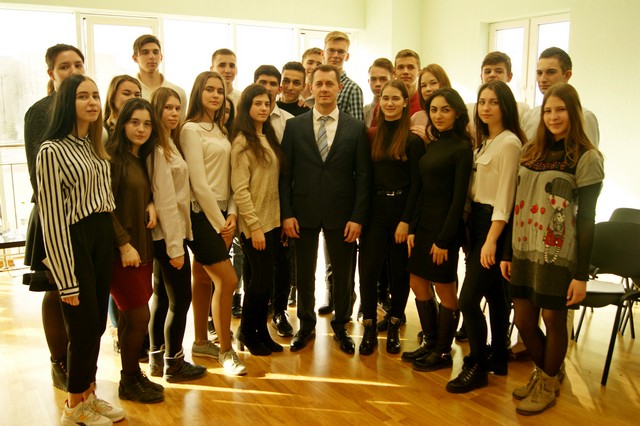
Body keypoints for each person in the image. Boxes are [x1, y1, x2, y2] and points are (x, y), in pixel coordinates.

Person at [501, 83, 604, 415]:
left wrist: (581, 275)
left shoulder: (586, 157)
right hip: (523, 248)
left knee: (552, 318)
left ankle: (546, 383)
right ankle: (547, 372)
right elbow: (515, 203)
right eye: (548, 110)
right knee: (523, 319)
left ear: (574, 113)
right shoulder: (532, 150)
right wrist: (507, 253)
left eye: (560, 110)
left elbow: (586, 220)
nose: (553, 117)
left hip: (558, 254)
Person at [38, 73, 125, 424]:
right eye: (82, 96)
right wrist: (65, 279)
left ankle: (89, 394)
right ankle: (74, 405)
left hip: (101, 234)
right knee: (82, 326)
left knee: (97, 324)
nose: (92, 102)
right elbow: (52, 219)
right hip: (75, 238)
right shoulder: (52, 150)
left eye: (95, 96)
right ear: (66, 103)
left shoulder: (93, 146)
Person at [279, 64, 371, 355]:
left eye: (329, 84)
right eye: (318, 84)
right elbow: (285, 175)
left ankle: (341, 325)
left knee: (343, 274)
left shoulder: (355, 128)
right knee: (305, 273)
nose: (324, 89)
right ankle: (305, 325)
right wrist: (287, 213)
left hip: (342, 213)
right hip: (302, 212)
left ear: (339, 88)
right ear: (311, 87)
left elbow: (363, 177)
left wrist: (357, 217)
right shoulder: (294, 127)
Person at [445, 80, 525, 393]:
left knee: (467, 299)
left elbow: (505, 198)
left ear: (505, 106)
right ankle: (499, 357)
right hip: (478, 222)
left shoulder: (509, 143)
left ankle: (477, 364)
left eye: (493, 102)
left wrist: (492, 240)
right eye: (482, 102)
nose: (486, 108)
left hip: (494, 225)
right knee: (494, 295)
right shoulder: (487, 142)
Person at [23, 43, 84, 393]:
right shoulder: (40, 112)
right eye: (64, 67)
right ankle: (58, 361)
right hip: (53, 216)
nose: (73, 71)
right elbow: (38, 174)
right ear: (52, 73)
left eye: (78, 65)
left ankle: (80, 360)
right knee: (56, 288)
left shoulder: (88, 106)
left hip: (86, 216)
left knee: (79, 290)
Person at [403, 88, 473, 372]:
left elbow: (458, 199)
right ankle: (430, 342)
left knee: (445, 288)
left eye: (445, 109)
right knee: (417, 282)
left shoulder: (462, 149)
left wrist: (444, 240)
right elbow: (421, 191)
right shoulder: (433, 145)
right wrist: (413, 227)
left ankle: (443, 351)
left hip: (445, 227)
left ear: (457, 113)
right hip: (424, 225)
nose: (438, 115)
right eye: (433, 110)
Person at [180, 71, 246, 375]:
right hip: (200, 215)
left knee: (204, 279)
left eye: (220, 90)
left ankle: (199, 342)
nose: (216, 95)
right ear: (199, 92)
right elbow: (199, 184)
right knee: (228, 281)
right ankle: (225, 351)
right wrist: (220, 223)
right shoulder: (190, 130)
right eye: (209, 89)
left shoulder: (221, 130)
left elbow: (231, 177)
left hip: (223, 214)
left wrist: (232, 212)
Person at [358, 80, 425, 355]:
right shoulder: (371, 135)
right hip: (374, 212)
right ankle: (369, 326)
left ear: (405, 103)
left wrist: (407, 221)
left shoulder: (413, 140)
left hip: (401, 211)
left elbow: (417, 186)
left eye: (395, 98)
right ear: (379, 101)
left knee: (399, 273)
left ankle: (395, 323)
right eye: (385, 98)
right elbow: (363, 178)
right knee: (368, 271)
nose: (389, 103)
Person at [106, 97, 165, 404]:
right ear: (122, 123)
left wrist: (151, 203)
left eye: (146, 124)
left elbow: (142, 192)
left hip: (141, 248)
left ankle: (131, 376)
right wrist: (123, 244)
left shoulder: (140, 157)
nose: (141, 129)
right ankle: (128, 380)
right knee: (139, 317)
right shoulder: (113, 158)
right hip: (123, 252)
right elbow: (104, 207)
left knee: (132, 318)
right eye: (134, 122)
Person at [147, 87, 207, 383]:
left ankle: (157, 358)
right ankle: (174, 363)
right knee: (180, 301)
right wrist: (175, 248)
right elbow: (166, 203)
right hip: (168, 236)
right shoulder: (159, 150)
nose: (173, 113)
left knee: (161, 297)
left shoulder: (168, 143)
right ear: (156, 111)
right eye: (167, 108)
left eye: (176, 108)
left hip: (170, 234)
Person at [231, 84, 285, 355]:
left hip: (272, 221)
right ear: (247, 107)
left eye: (267, 103)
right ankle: (246, 331)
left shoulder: (269, 136)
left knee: (265, 281)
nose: (264, 108)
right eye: (258, 104)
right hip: (255, 224)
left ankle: (261, 331)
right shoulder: (242, 141)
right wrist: (254, 226)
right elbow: (240, 190)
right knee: (259, 281)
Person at [521, 47, 599, 146]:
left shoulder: (584, 116)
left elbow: (588, 153)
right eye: (539, 73)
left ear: (567, 75)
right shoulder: (529, 116)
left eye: (551, 72)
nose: (543, 79)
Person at [132, 34, 187, 118]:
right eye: (145, 53)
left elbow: (180, 123)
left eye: (155, 52)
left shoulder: (178, 92)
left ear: (161, 57)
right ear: (135, 58)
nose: (152, 57)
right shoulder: (131, 92)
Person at [323, 31, 364, 121]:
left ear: (347, 56)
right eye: (331, 50)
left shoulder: (353, 89)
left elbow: (357, 127)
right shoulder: (315, 85)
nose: (335, 55)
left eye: (341, 52)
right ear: (323, 53)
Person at [410, 64, 452, 129]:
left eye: (433, 83)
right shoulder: (416, 118)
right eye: (423, 86)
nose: (428, 89)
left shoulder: (454, 115)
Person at [364, 58, 394, 128]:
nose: (378, 84)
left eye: (383, 79)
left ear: (392, 80)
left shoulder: (400, 109)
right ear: (368, 81)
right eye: (373, 79)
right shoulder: (363, 112)